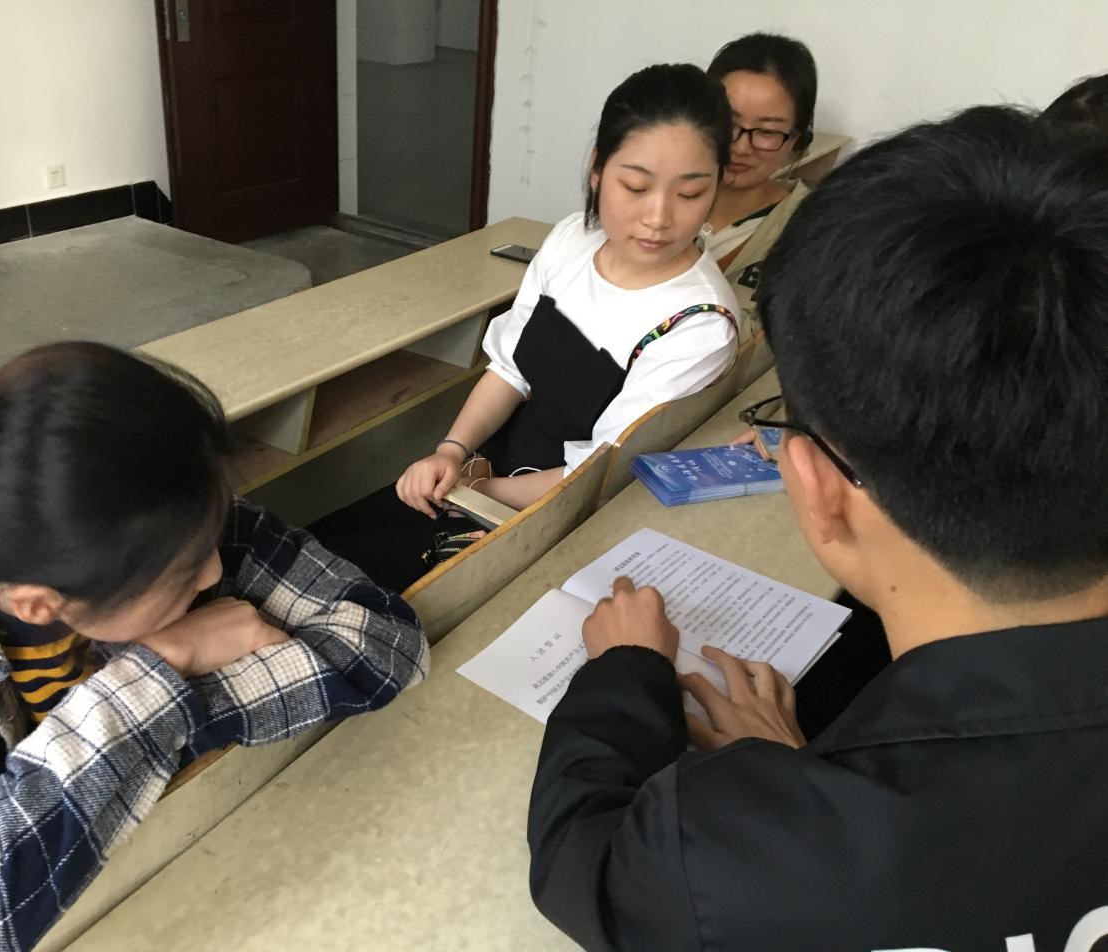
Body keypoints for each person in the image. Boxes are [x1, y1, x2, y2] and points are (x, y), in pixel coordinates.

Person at [527, 106, 1108, 950]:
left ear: (818, 488)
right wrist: (803, 784)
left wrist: (624, 673)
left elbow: (586, 858)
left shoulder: (728, 863)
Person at [0, 341, 428, 950]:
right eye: (184, 573)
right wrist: (165, 666)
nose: (212, 571)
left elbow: (387, 644)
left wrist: (160, 723)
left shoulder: (165, 512)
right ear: (38, 604)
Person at [313, 63, 739, 593]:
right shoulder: (572, 240)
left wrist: (475, 491)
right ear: (597, 169)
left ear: (718, 184)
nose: (658, 216)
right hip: (491, 469)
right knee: (322, 550)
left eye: (690, 194)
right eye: (635, 186)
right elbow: (510, 368)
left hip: (558, 514)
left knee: (370, 598)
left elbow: (599, 472)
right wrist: (451, 451)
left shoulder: (699, 324)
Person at [703, 32, 818, 341]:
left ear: (795, 139)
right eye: (728, 122)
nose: (741, 147)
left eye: (767, 131)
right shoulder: (655, 196)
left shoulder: (811, 233)